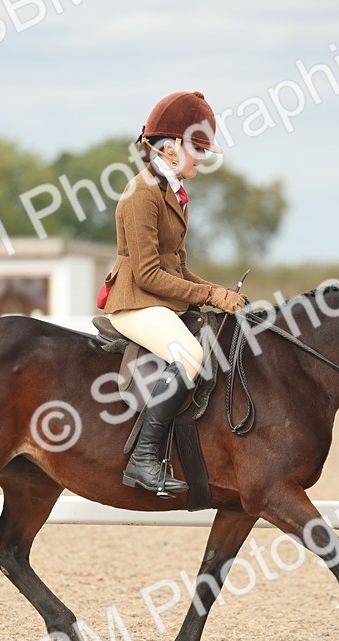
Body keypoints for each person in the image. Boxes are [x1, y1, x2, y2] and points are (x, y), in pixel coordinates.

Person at [99, 90, 246, 496]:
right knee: (191, 354)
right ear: (169, 147)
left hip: (157, 299)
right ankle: (144, 459)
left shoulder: (173, 191)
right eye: (196, 148)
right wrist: (212, 296)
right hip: (135, 302)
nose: (202, 157)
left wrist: (215, 292)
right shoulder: (141, 193)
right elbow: (148, 273)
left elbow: (177, 267)